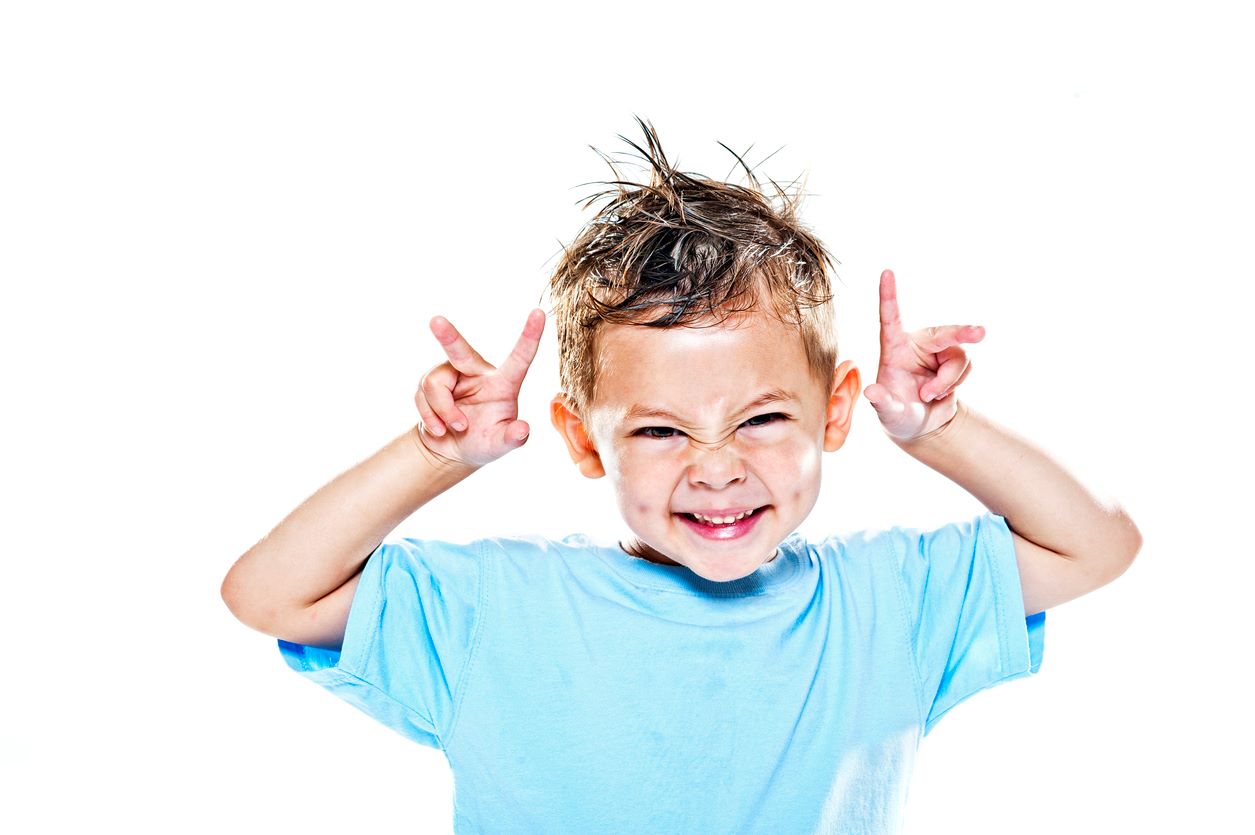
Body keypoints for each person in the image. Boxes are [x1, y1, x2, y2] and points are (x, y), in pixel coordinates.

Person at [221, 118, 1141, 833]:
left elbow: (1096, 544)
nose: (717, 469)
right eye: (661, 430)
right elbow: (269, 595)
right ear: (584, 444)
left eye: (763, 418)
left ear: (835, 409)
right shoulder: (497, 607)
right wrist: (434, 453)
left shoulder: (888, 601)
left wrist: (939, 429)